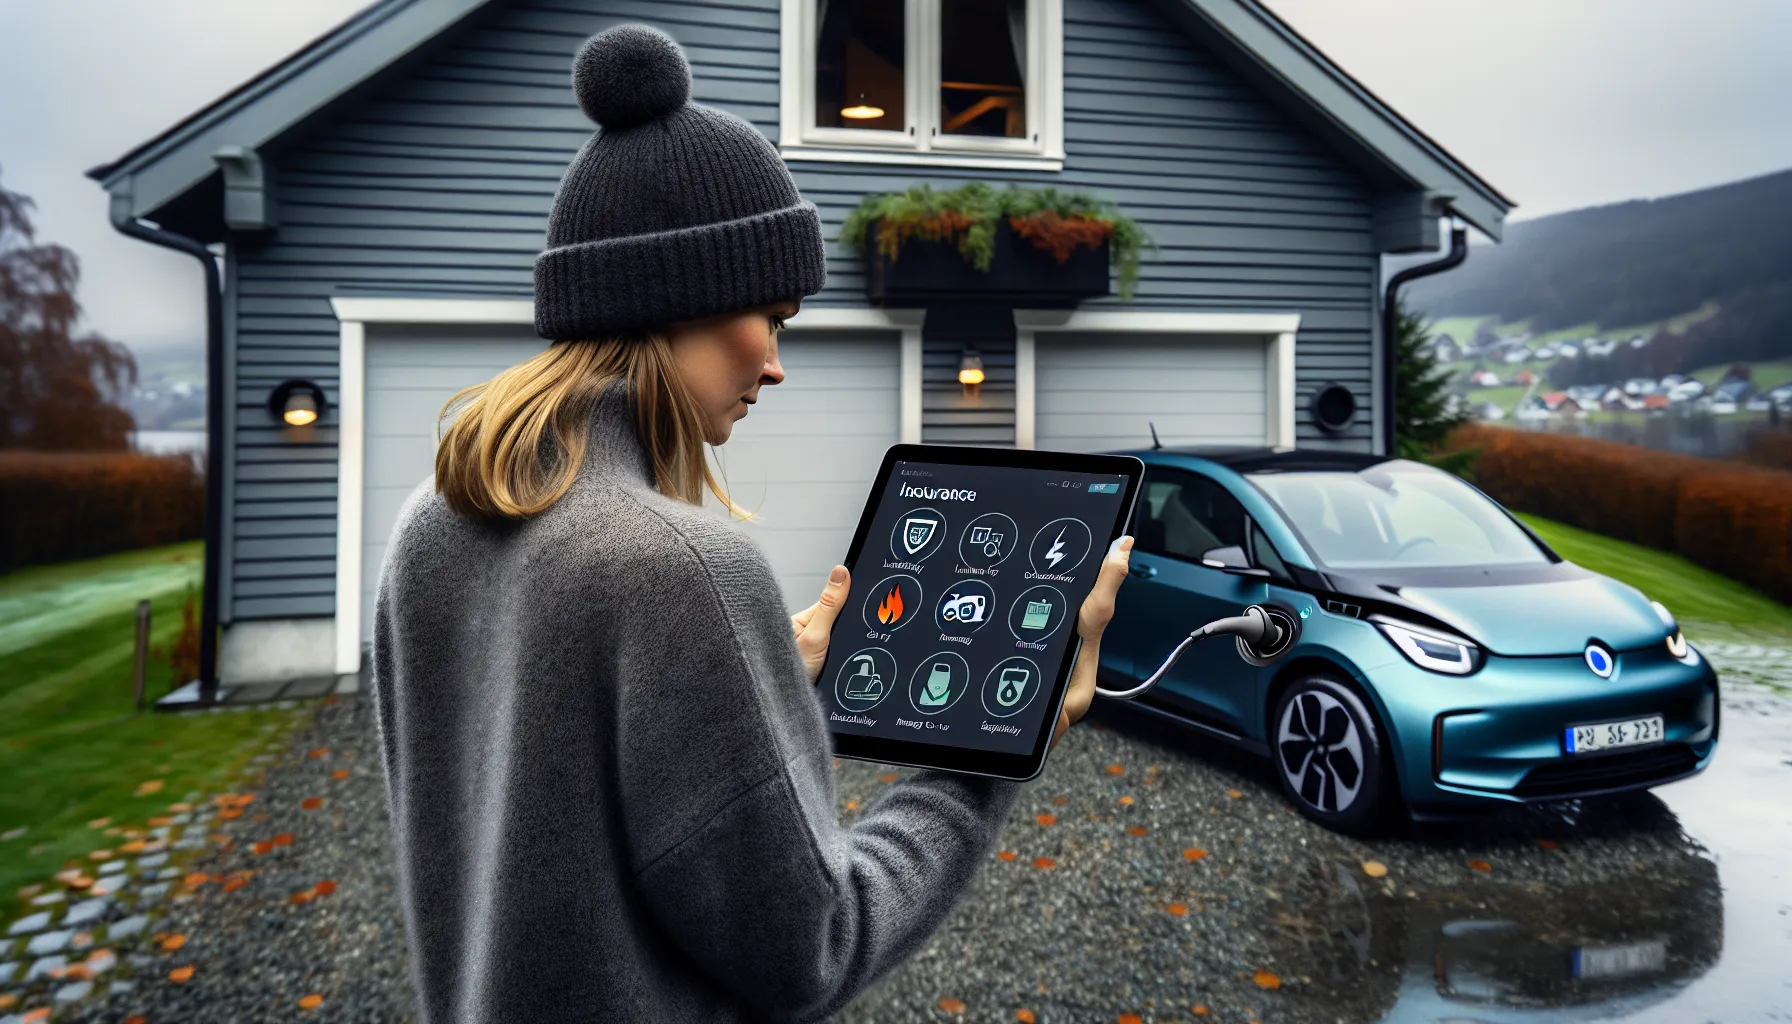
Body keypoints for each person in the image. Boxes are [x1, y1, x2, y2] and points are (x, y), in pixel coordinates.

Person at [371, 23, 1134, 1024]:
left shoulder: (431, 524)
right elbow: (813, 946)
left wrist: (769, 679)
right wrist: (990, 743)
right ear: (676, 298)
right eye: (771, 317)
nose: (775, 362)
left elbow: (566, 826)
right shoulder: (677, 566)